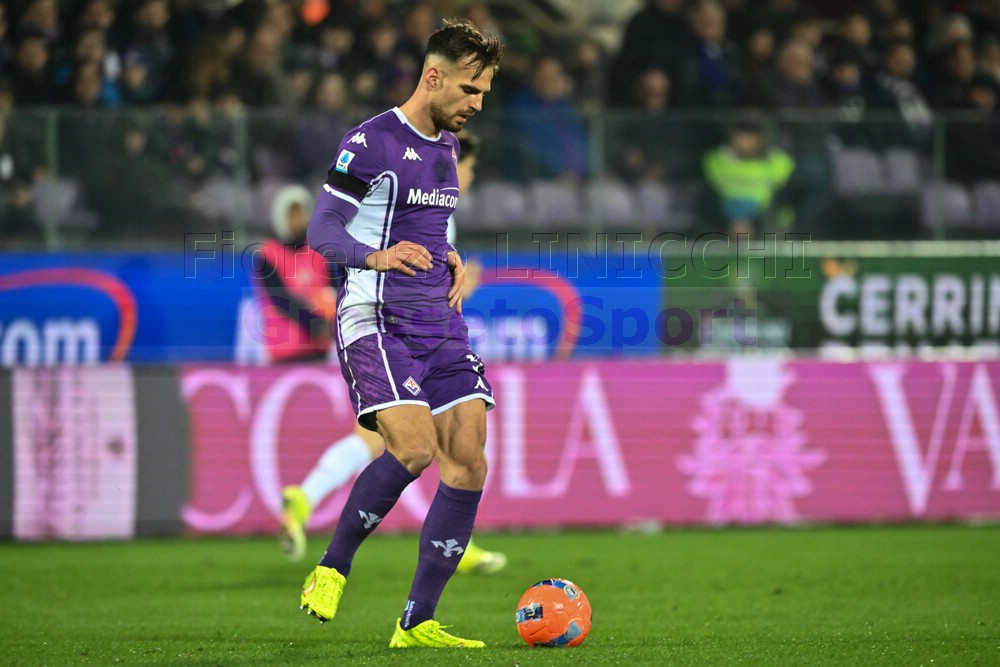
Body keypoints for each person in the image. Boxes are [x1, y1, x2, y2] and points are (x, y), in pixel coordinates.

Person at [298, 18, 504, 649]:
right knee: (413, 448)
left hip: (438, 320)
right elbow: (321, 231)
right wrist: (376, 257)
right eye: (470, 90)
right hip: (376, 316)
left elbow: (426, 230)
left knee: (469, 457)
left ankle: (417, 622)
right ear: (433, 77)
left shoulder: (448, 149)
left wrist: (449, 256)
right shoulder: (370, 143)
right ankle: (332, 568)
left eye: (484, 94)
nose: (477, 104)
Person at [279, 131, 505, 578]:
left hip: (379, 327)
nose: (468, 178)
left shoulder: (416, 205)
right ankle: (314, 507)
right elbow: (414, 286)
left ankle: (305, 498)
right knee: (429, 439)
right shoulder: (430, 212)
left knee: (399, 441)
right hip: (390, 334)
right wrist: (462, 287)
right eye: (469, 169)